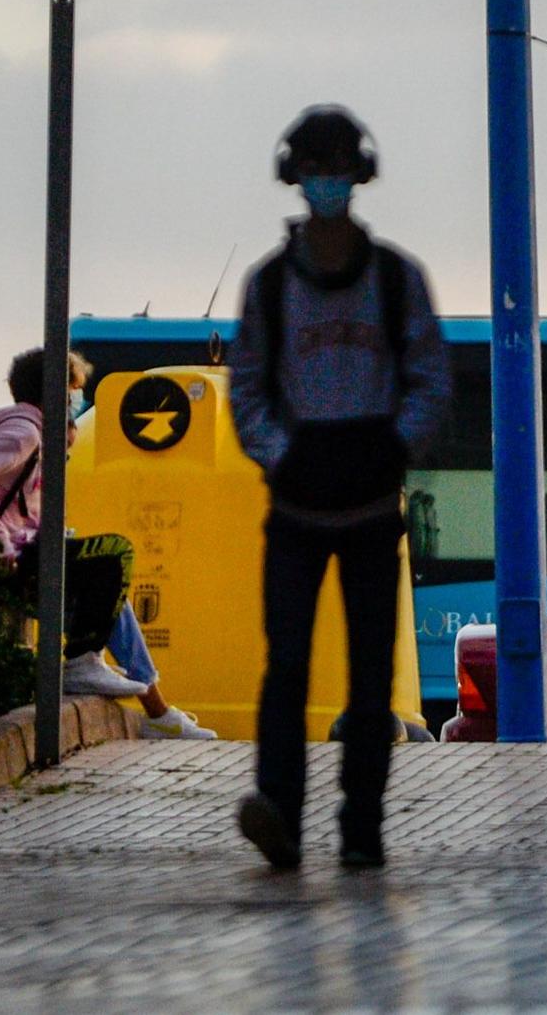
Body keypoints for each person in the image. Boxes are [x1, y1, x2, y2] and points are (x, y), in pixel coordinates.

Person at [228, 104, 450, 870]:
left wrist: (391, 446)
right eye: (316, 171)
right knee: (284, 668)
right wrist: (283, 455)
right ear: (299, 180)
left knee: (369, 679)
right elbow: (247, 391)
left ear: (358, 179)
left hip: (368, 514)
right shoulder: (269, 288)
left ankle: (363, 826)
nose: (327, 184)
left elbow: (429, 380)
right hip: (293, 508)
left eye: (337, 170)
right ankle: (279, 815)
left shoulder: (397, 282)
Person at [0, 347, 216, 739]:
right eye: (73, 390)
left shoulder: (41, 434)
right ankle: (85, 663)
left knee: (111, 595)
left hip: (23, 555)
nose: (77, 399)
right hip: (7, 567)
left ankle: (157, 711)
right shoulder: (26, 431)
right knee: (115, 553)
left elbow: (20, 509)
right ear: (56, 391)